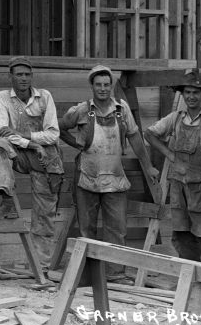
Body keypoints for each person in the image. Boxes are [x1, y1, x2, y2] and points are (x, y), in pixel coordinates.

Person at [60, 64, 159, 281]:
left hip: (115, 179)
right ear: (92, 87)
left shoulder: (121, 109)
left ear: (111, 86)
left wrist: (148, 166)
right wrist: (78, 144)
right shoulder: (81, 110)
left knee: (117, 229)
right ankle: (88, 275)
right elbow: (60, 128)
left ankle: (115, 274)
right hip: (87, 177)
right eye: (98, 85)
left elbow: (134, 137)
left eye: (106, 84)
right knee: (87, 230)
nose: (103, 89)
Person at [0, 56, 64, 271]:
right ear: (11, 77)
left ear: (32, 77)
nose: (24, 78)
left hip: (47, 160)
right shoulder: (3, 97)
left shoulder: (44, 97)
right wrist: (32, 143)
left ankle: (41, 266)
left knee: (43, 214)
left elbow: (53, 135)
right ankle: (5, 196)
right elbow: (2, 130)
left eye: (27, 74)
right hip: (21, 155)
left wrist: (20, 134)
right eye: (19, 75)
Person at [144, 69, 201, 280]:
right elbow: (149, 134)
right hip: (179, 185)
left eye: (196, 92)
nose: (191, 96)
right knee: (181, 234)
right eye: (187, 92)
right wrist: (169, 154)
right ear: (182, 94)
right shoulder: (175, 119)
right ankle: (191, 278)